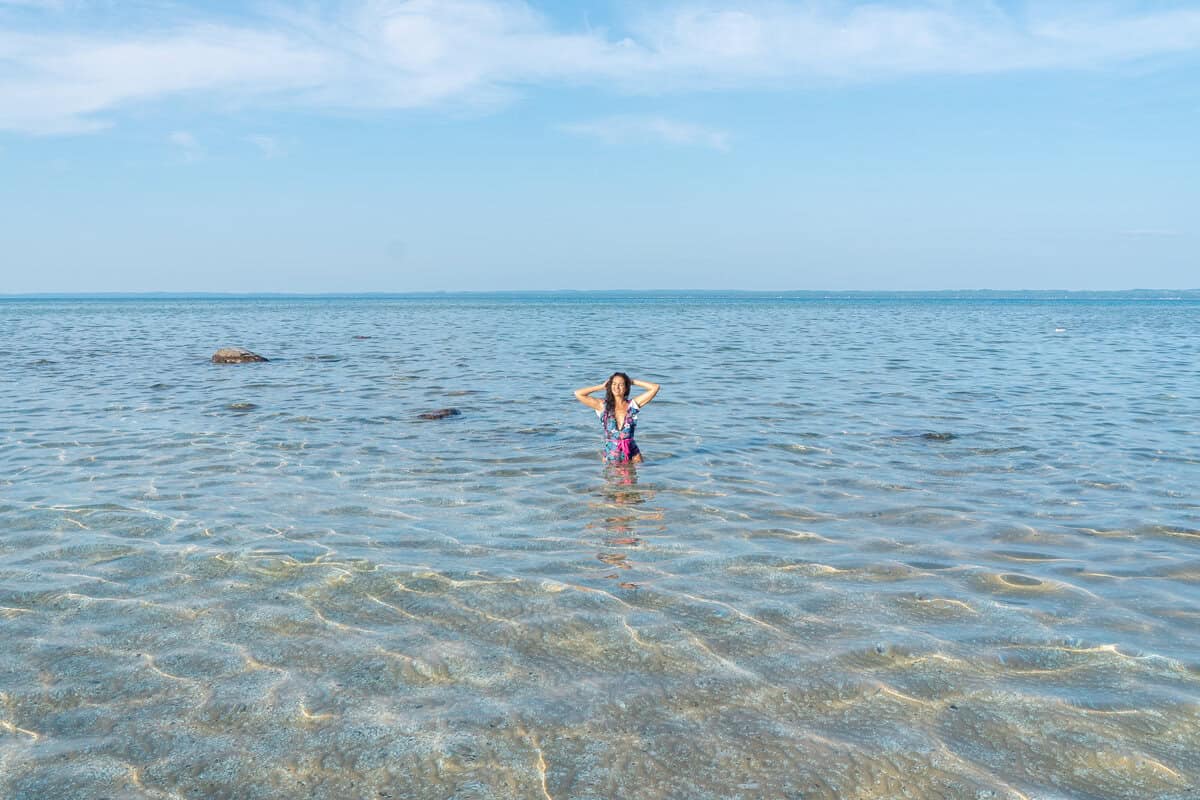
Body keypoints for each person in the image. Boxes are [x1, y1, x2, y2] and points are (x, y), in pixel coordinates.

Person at [574, 373, 660, 464]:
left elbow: (655, 387)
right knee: (611, 477)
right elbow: (578, 393)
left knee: (635, 477)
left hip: (633, 455)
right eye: (614, 384)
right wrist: (601, 386)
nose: (617, 387)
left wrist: (633, 381)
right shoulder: (602, 406)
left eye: (621, 384)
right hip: (611, 456)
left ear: (626, 387)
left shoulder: (633, 405)